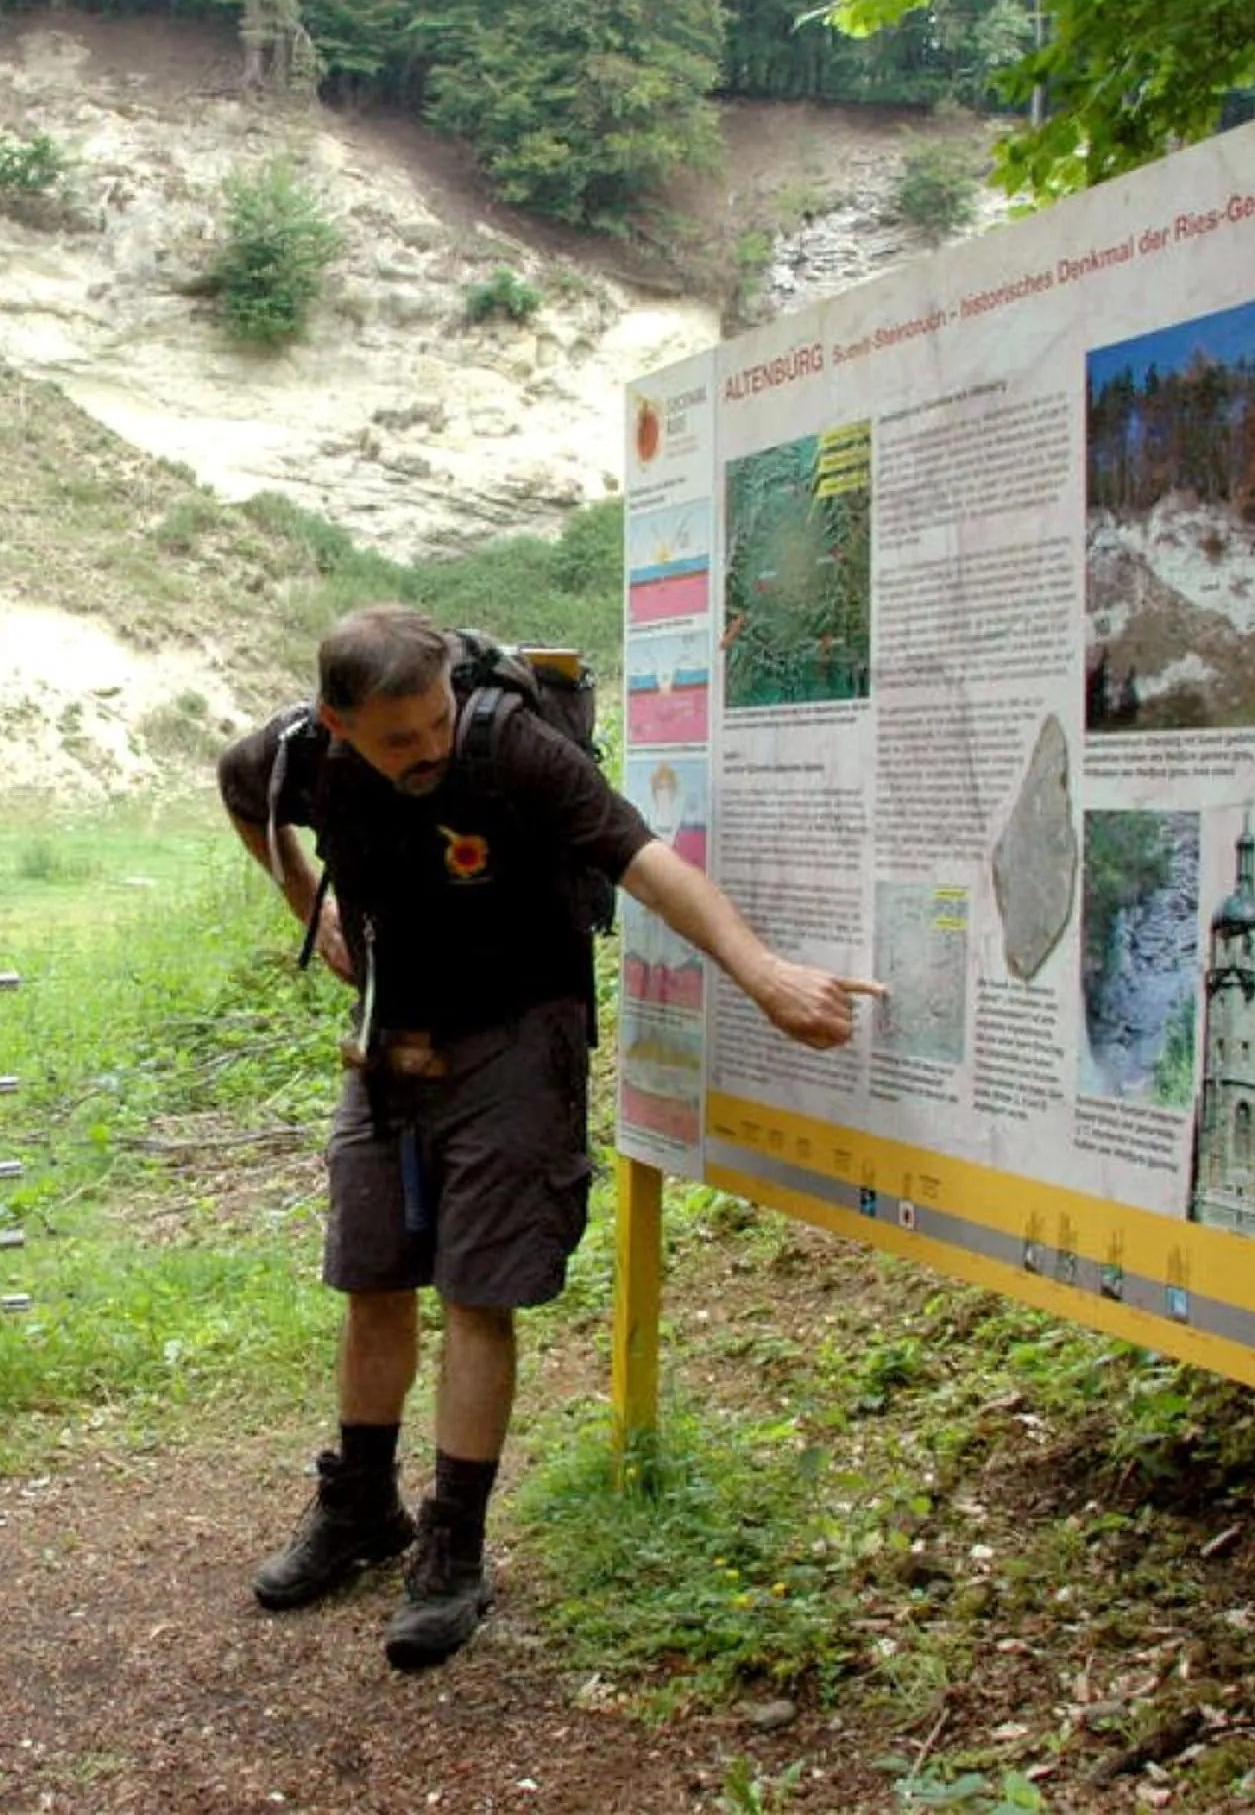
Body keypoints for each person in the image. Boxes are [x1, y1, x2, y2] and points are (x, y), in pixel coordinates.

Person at [217, 604, 881, 1671]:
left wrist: (763, 976)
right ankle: (361, 1510)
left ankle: (456, 1546)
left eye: (435, 722)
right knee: (373, 1277)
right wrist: (306, 896)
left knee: (479, 1293)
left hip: (521, 1038)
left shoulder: (509, 747)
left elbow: (647, 862)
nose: (429, 749)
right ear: (341, 727)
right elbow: (243, 793)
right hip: (390, 1041)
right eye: (400, 739)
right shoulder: (301, 756)